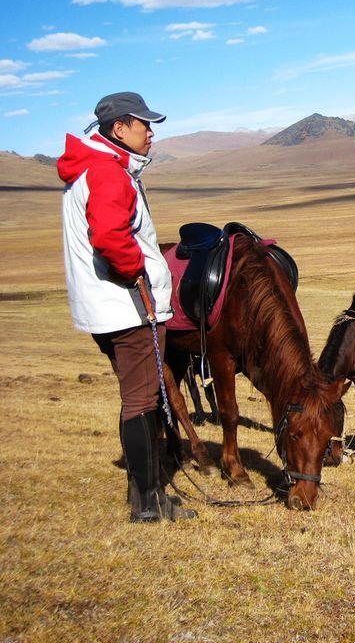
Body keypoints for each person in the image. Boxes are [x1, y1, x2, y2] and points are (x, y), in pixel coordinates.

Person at [57, 91, 196, 523]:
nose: (151, 133)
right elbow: (111, 238)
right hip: (127, 307)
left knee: (138, 397)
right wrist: (138, 271)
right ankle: (149, 504)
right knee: (141, 400)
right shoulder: (107, 173)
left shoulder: (97, 167)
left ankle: (148, 497)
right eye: (144, 124)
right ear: (120, 128)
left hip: (111, 306)